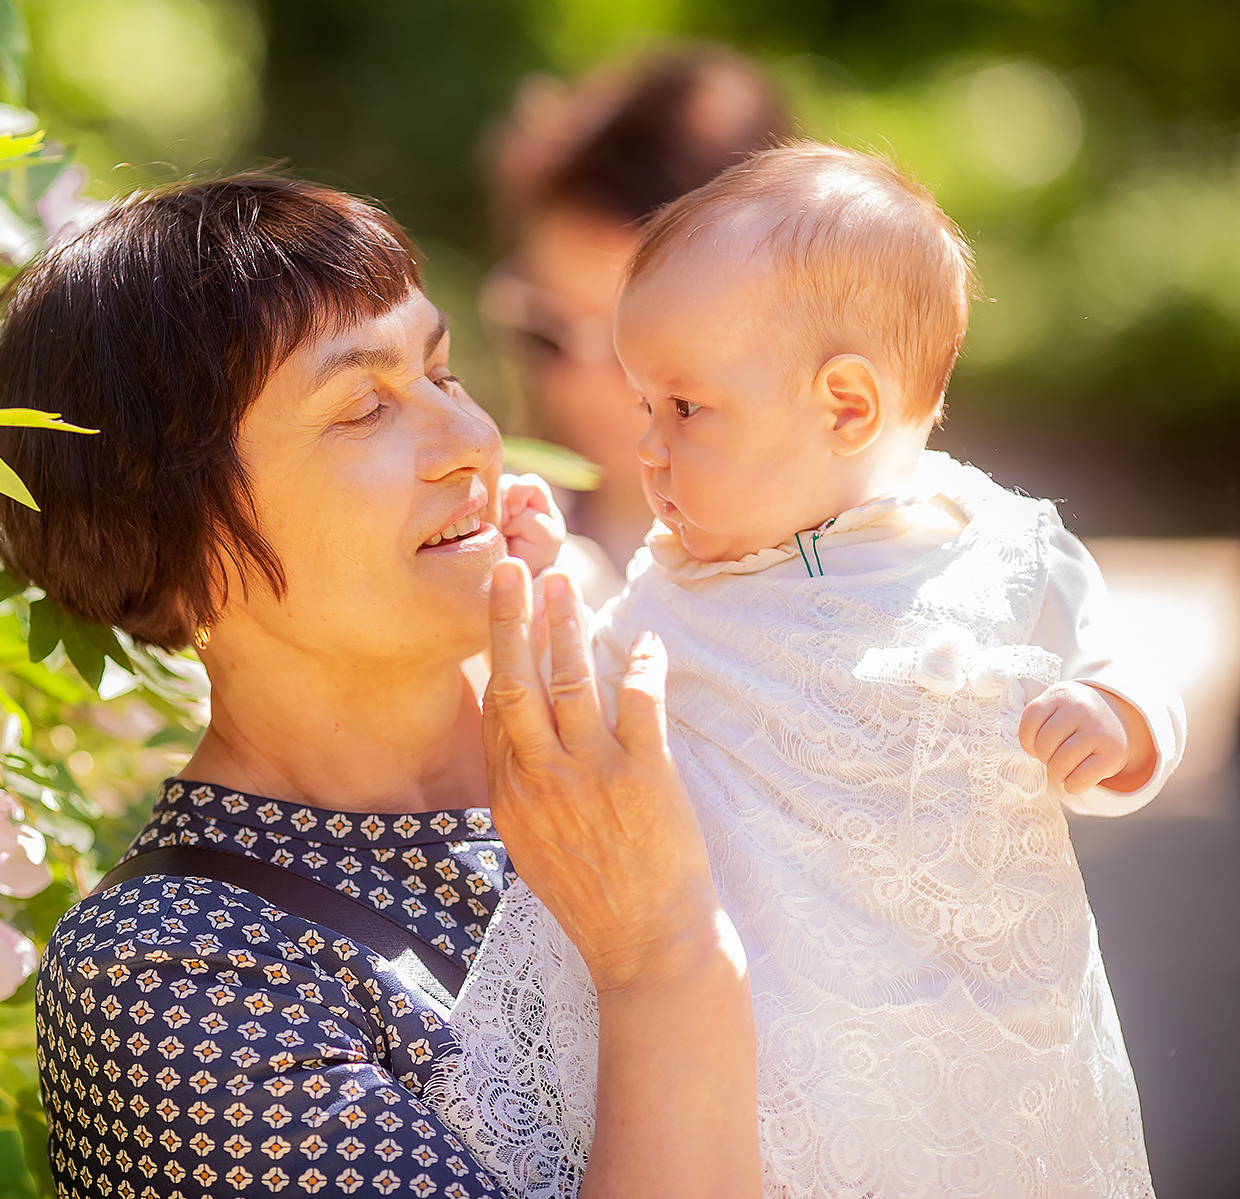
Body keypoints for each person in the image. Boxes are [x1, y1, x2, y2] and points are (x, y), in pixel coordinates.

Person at [0, 175, 758, 1197]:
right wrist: (660, 956)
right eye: (363, 408)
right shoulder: (171, 975)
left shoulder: (650, 711)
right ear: (175, 545)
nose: (470, 440)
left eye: (440, 370)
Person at [433, 144, 1186, 1197]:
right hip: (772, 1065)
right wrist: (543, 576)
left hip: (970, 1047)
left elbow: (1122, 668)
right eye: (644, 406)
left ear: (843, 407)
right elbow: (601, 707)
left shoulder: (1000, 548)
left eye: (682, 408)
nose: (645, 446)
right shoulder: (677, 583)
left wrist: (1115, 722)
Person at [484, 46, 790, 604]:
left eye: (631, 343)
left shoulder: (840, 562)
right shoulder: (509, 529)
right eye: (544, 332)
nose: (583, 382)